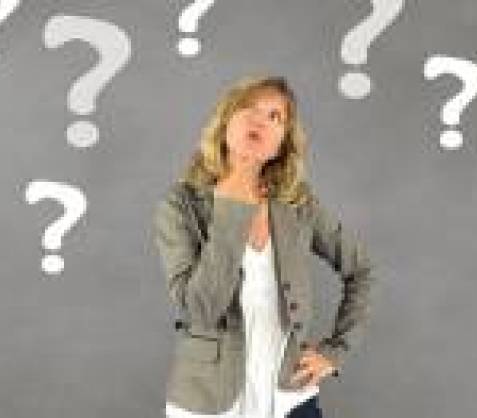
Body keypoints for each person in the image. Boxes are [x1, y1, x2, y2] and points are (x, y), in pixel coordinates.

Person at [153, 73, 377, 418]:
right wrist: (232, 205)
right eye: (250, 108)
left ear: (280, 144)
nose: (261, 120)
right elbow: (201, 310)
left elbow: (362, 270)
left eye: (275, 117)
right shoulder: (180, 205)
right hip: (207, 402)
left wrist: (335, 351)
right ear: (225, 122)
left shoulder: (297, 204)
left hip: (290, 395)